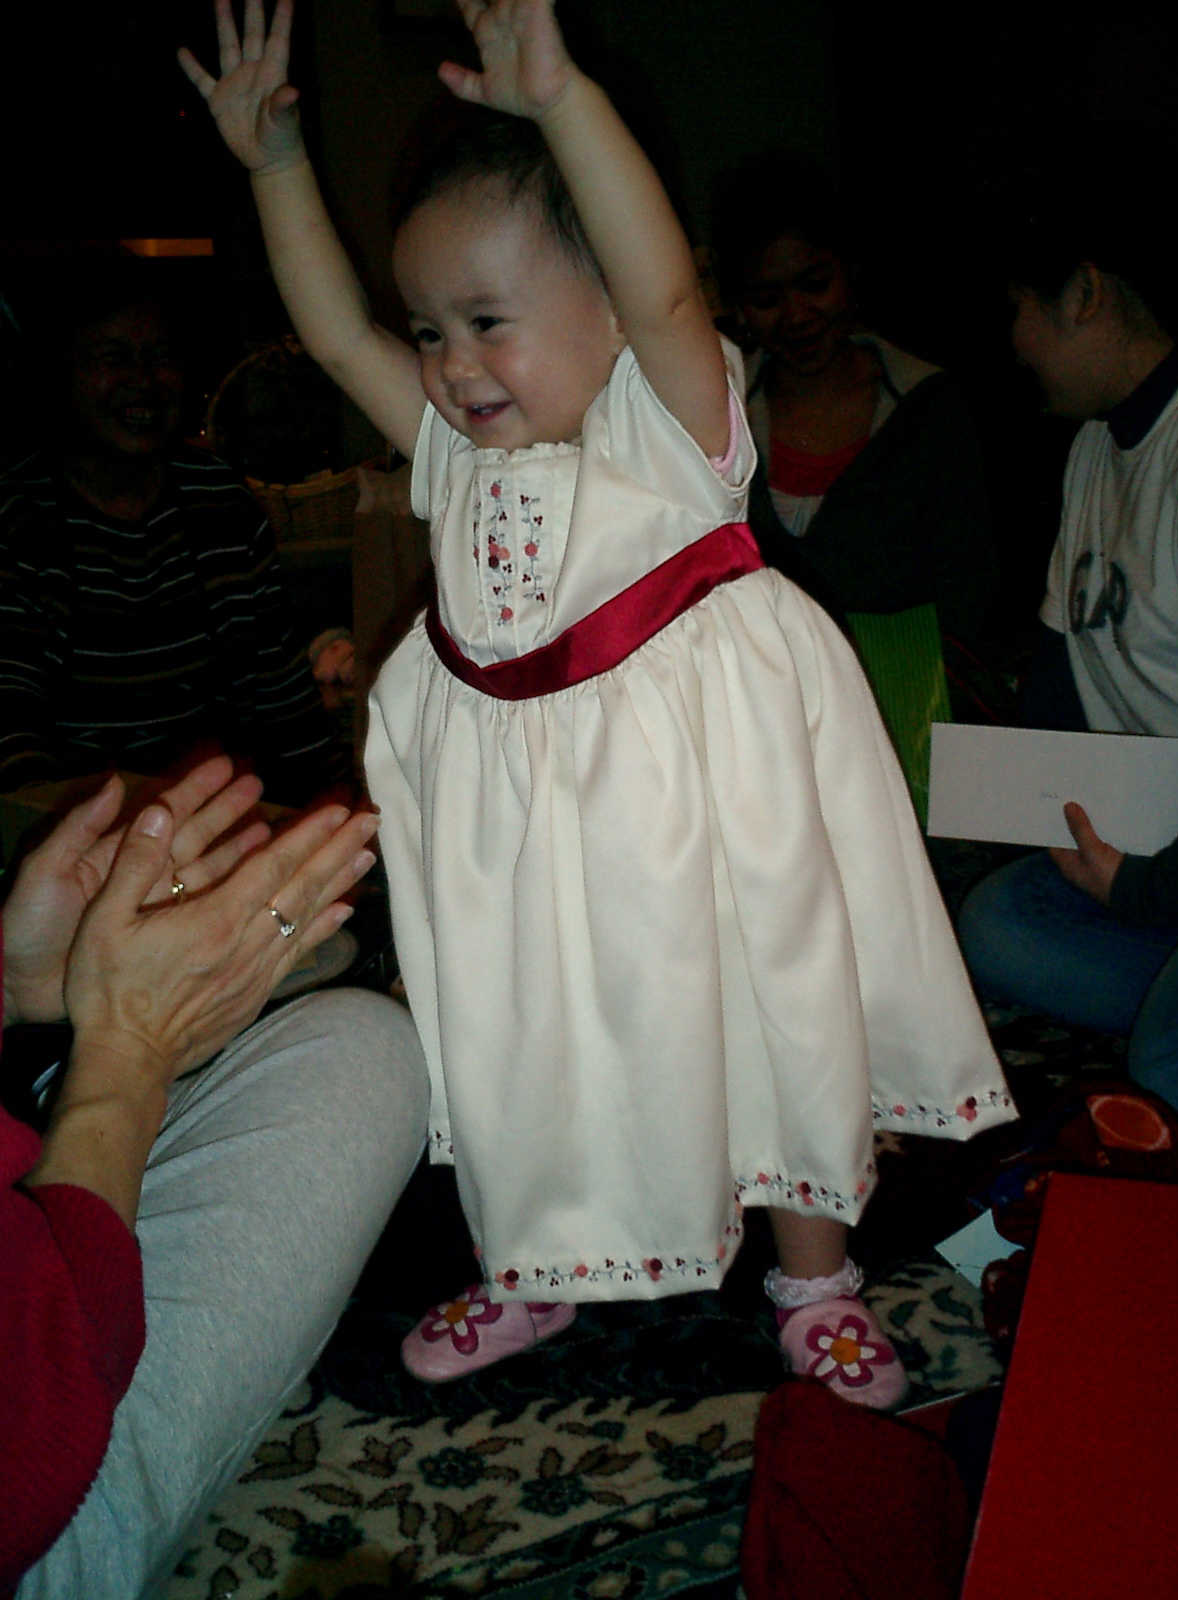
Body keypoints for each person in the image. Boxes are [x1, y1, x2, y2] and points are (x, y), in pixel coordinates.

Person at [181, 0, 1011, 1409]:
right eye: (432, 330)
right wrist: (275, 165)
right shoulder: (453, 455)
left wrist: (564, 105)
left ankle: (814, 1277)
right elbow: (330, 336)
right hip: (526, 837)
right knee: (526, 1035)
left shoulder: (668, 429)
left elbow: (670, 291)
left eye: (488, 323)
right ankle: (542, 1256)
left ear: (608, 311)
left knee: (763, 1023)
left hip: (703, 824)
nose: (453, 364)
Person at [3, 756, 429, 1597]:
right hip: (34, 1497)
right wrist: (126, 1058)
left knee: (358, 1041)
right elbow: (38, 1419)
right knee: (371, 1059)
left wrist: (11, 987)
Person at [957, 135, 1178, 1127]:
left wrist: (1147, 891)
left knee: (1169, 1052)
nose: (1014, 339)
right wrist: (1012, 796)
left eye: (1021, 306)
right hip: (1155, 845)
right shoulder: (1095, 446)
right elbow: (1060, 668)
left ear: (1085, 294)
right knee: (992, 922)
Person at [0, 260, 349, 805]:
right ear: (61, 374)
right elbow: (13, 736)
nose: (143, 380)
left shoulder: (221, 504)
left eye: (162, 357)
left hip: (226, 811)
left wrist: (334, 806)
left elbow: (283, 699)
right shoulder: (22, 519)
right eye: (113, 358)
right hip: (78, 824)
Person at [715, 156, 996, 651]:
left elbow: (969, 591)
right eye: (767, 299)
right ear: (738, 307)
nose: (796, 316)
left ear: (849, 273)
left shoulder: (927, 407)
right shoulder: (720, 412)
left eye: (814, 285)